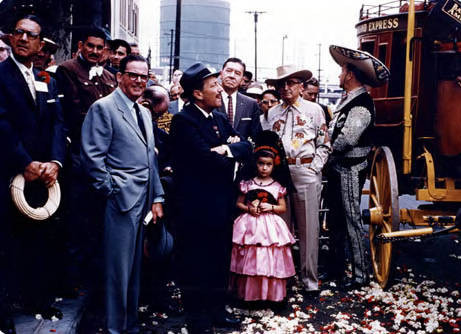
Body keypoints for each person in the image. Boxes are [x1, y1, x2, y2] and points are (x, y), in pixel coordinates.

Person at [81, 54, 164, 334]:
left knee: (134, 270)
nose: (139, 81)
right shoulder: (103, 108)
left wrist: (157, 197)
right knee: (117, 271)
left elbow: (150, 159)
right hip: (120, 201)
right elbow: (92, 158)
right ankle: (116, 328)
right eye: (133, 75)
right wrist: (112, 189)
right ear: (119, 76)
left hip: (143, 201)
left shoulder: (143, 111)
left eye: (144, 76)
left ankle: (130, 325)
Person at [169, 62, 252, 333]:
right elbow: (204, 160)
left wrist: (225, 150)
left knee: (218, 259)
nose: (220, 89)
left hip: (220, 204)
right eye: (213, 85)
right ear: (196, 93)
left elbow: (245, 145)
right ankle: (198, 318)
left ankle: (217, 310)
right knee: (196, 262)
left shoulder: (217, 118)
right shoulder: (184, 121)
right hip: (195, 209)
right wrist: (228, 151)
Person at [0, 14, 66, 323]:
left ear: (41, 44)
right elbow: (2, 125)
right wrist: (23, 162)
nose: (24, 39)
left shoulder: (44, 79)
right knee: (6, 245)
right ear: (11, 38)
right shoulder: (0, 75)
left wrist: (54, 161)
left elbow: (57, 123)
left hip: (42, 176)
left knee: (40, 241)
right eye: (19, 33)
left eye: (31, 35)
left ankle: (37, 302)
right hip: (9, 173)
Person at [55, 26, 117, 293]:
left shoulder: (108, 76)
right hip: (81, 156)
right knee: (77, 220)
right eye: (89, 46)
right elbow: (75, 113)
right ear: (81, 45)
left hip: (108, 158)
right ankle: (71, 282)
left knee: (98, 221)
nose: (94, 51)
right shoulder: (67, 70)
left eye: (99, 47)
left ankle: (93, 280)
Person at [326, 45, 390, 289]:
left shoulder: (361, 103)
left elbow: (347, 139)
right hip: (338, 168)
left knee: (352, 220)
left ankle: (360, 276)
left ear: (350, 74)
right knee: (336, 220)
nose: (338, 76)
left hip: (351, 169)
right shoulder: (349, 100)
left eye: (341, 71)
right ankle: (335, 270)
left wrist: (326, 145)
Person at [266, 64, 330, 296]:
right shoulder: (271, 113)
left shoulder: (314, 110)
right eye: (281, 84)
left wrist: (315, 168)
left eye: (291, 83)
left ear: (301, 86)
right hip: (280, 174)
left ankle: (309, 280)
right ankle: (283, 278)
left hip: (306, 171)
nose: (285, 88)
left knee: (309, 230)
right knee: (281, 229)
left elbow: (325, 143)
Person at [229, 132, 295, 302]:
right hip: (249, 225)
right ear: (255, 164)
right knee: (250, 256)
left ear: (274, 165)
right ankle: (249, 294)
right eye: (261, 164)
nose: (264, 168)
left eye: (268, 165)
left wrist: (271, 206)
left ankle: (269, 294)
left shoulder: (277, 186)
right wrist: (249, 208)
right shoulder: (248, 184)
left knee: (268, 256)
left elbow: (282, 207)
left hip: (270, 226)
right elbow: (238, 203)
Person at [218, 57, 262, 140]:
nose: (232, 76)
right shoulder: (209, 100)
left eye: (237, 73)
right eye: (229, 71)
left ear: (242, 79)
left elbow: (256, 137)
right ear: (221, 74)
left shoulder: (251, 104)